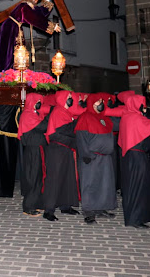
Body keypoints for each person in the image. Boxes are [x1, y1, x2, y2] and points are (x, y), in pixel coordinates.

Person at [42, 91, 87, 221]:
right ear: (62, 99)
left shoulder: (66, 112)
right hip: (57, 150)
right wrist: (78, 123)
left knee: (67, 177)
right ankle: (48, 210)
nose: (70, 100)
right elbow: (62, 131)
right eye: (68, 98)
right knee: (55, 179)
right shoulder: (58, 112)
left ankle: (65, 205)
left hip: (66, 149)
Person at [0, 0, 61, 70]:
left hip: (14, 27)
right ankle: (7, 69)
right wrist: (52, 26)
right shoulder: (24, 7)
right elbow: (35, 19)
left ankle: (12, 68)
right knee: (10, 50)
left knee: (15, 48)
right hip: (10, 28)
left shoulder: (29, 6)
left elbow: (40, 13)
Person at [75, 93, 117, 225]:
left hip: (105, 158)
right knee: (90, 184)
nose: (101, 104)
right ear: (91, 103)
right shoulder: (85, 117)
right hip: (91, 158)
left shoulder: (105, 118)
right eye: (98, 102)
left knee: (104, 184)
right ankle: (89, 212)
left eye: (101, 102)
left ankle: (101, 208)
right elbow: (81, 138)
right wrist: (86, 155)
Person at [118, 94, 150, 229]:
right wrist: (148, 114)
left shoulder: (127, 116)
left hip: (129, 156)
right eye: (142, 105)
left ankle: (133, 217)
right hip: (137, 157)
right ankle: (136, 219)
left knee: (132, 187)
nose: (143, 107)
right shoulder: (136, 118)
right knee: (139, 187)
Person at [18, 93, 51, 216]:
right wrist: (50, 115)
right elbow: (43, 127)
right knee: (33, 177)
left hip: (39, 149)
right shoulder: (27, 114)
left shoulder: (35, 114)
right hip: (33, 150)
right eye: (37, 101)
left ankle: (38, 202)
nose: (39, 104)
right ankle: (28, 206)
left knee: (39, 177)